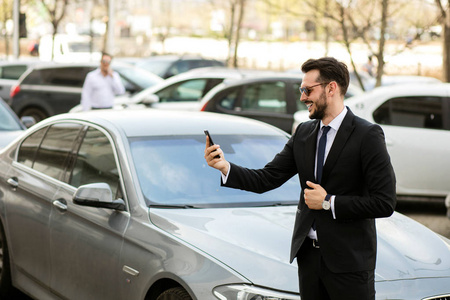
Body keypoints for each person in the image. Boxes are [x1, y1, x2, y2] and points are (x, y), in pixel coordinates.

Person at [204, 57, 396, 300]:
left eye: (308, 90)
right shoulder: (304, 133)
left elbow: (385, 202)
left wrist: (328, 201)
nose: (303, 96)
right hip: (309, 260)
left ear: (331, 88)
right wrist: (224, 167)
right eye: (301, 90)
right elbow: (267, 178)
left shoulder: (367, 135)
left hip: (350, 264)